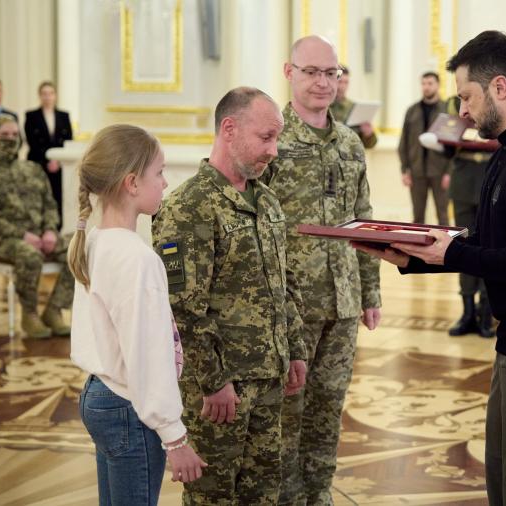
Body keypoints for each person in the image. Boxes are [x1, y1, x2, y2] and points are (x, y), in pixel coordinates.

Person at [353, 30, 506, 505]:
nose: (462, 111)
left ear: (500, 87)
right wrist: (417, 256)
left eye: (467, 96)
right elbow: (489, 240)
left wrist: (450, 254)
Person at [152, 87, 308, 505]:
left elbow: (283, 283)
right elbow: (181, 308)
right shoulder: (190, 207)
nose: (274, 150)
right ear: (229, 129)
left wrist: (295, 349)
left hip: (268, 380)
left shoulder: (267, 202)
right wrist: (213, 381)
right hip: (221, 392)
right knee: (213, 498)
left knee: (262, 494)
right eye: (266, 138)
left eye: (277, 139)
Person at [260, 35, 381, 506]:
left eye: (330, 73)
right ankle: (289, 499)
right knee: (288, 413)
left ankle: (319, 496)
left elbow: (366, 217)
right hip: (291, 303)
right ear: (289, 73)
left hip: (344, 300)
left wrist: (370, 293)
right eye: (311, 72)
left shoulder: (351, 142)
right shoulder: (273, 138)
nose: (322, 82)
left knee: (328, 411)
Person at [68, 124, 207, 504]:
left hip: (99, 391)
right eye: (159, 172)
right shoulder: (137, 258)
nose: (165, 183)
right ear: (132, 183)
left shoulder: (95, 241)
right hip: (129, 405)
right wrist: (174, 436)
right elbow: (147, 355)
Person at [0, 116, 73, 339]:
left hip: (42, 235)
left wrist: (51, 231)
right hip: (5, 239)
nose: (10, 139)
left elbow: (50, 204)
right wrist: (23, 235)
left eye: (15, 135)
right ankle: (30, 313)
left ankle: (54, 310)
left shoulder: (33, 169)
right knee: (30, 255)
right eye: (4, 135)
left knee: (80, 247)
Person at [444, 95, 499, 338]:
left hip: (491, 179)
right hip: (464, 182)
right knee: (462, 246)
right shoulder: (455, 103)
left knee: (490, 249)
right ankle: (466, 313)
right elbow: (446, 144)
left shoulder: (495, 101)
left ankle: (486, 313)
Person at [398, 71, 450, 225]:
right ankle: (417, 248)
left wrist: (449, 172)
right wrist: (404, 169)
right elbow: (403, 142)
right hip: (416, 171)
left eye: (430, 83)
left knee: (443, 214)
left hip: (440, 171)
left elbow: (454, 145)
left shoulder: (446, 110)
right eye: (423, 83)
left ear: (438, 85)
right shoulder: (412, 110)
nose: (426, 87)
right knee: (418, 216)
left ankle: (447, 248)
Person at [25, 81, 74, 229]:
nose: (48, 97)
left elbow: (68, 141)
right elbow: (32, 142)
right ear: (40, 96)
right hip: (38, 164)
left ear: (55, 96)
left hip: (59, 166)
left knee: (57, 197)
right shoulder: (31, 116)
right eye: (44, 94)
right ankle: (39, 228)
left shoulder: (64, 116)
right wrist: (47, 161)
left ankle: (57, 230)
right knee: (38, 197)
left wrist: (58, 161)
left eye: (51, 93)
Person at [329, 65, 378, 148]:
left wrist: (368, 134)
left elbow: (369, 145)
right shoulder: (320, 106)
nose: (342, 86)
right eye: (340, 82)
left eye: (346, 82)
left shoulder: (355, 108)